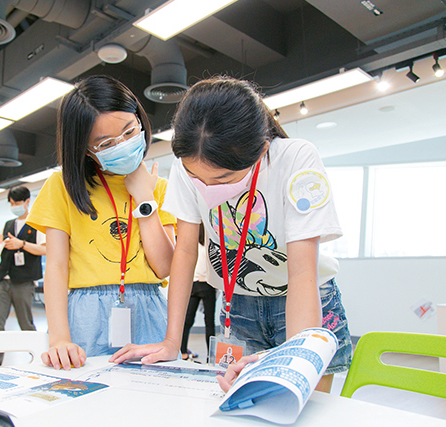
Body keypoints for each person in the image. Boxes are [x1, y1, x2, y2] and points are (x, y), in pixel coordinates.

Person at [111, 76, 352, 394]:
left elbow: (303, 271)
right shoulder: (186, 163)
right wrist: (172, 341)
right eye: (198, 177)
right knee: (244, 404)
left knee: (299, 400)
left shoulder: (295, 159)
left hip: (303, 300)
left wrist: (296, 359)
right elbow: (185, 252)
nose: (209, 188)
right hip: (238, 302)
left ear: (260, 149)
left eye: (224, 178)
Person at [26, 75, 176, 370]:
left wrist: (144, 199)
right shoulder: (62, 186)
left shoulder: (158, 186)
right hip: (85, 313)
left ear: (139, 119)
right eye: (106, 143)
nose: (122, 144)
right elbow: (55, 266)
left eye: (129, 131)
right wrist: (58, 338)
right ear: (84, 148)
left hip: (148, 307)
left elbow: (164, 266)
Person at [0, 185, 46, 366]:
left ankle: (38, 360)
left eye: (17, 203)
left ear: (27, 202)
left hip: (23, 281)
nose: (14, 206)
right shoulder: (8, 224)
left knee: (26, 325)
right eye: (12, 203)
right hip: (2, 279)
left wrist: (22, 244)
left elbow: (44, 249)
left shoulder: (38, 223)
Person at [180, 223, 218, 361]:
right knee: (210, 322)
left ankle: (183, 351)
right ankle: (210, 356)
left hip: (193, 285)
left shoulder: (191, 246)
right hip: (207, 286)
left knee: (187, 321)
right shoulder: (209, 246)